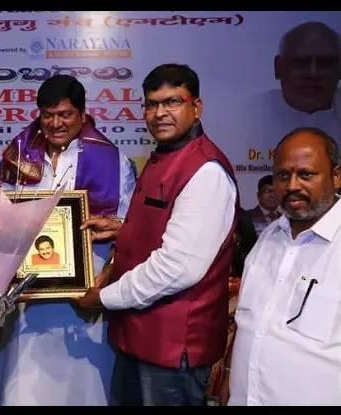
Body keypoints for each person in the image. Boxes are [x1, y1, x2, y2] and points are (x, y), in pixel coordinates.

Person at [76, 63, 239, 406]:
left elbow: (177, 268)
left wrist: (103, 298)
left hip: (171, 350)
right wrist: (126, 229)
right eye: (151, 104)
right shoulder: (164, 156)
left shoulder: (205, 170)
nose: (160, 113)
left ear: (196, 107)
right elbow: (172, 228)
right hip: (138, 339)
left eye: (172, 102)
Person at [0, 74, 136, 406]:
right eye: (47, 115)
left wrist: (108, 271)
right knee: (25, 385)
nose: (55, 123)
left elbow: (128, 227)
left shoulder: (114, 161)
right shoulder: (17, 157)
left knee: (83, 386)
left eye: (65, 114)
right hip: (26, 294)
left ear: (82, 114)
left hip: (84, 293)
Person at [229, 127, 340, 406]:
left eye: (306, 174)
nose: (292, 185)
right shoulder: (268, 238)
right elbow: (251, 327)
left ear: (336, 177)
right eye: (282, 175)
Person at [205, 207, 258, 406]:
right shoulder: (202, 262)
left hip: (232, 347)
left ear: (238, 235)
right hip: (201, 342)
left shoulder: (251, 269)